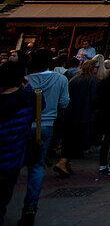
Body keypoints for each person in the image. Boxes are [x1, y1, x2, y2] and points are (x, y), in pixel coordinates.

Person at [24, 49, 68, 217]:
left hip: (22, 126)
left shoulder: (25, 80)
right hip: (47, 125)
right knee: (36, 166)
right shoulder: (60, 79)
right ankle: (30, 207)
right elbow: (64, 103)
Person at [0, 60, 37, 225]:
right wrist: (27, 87)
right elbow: (39, 105)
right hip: (12, 158)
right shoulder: (28, 98)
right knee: (3, 197)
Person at [57, 59, 98, 178]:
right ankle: (63, 162)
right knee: (77, 139)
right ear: (91, 68)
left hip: (70, 113)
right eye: (96, 67)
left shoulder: (74, 79)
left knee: (69, 137)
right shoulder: (92, 80)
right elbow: (94, 98)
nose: (97, 69)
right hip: (84, 114)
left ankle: (66, 162)